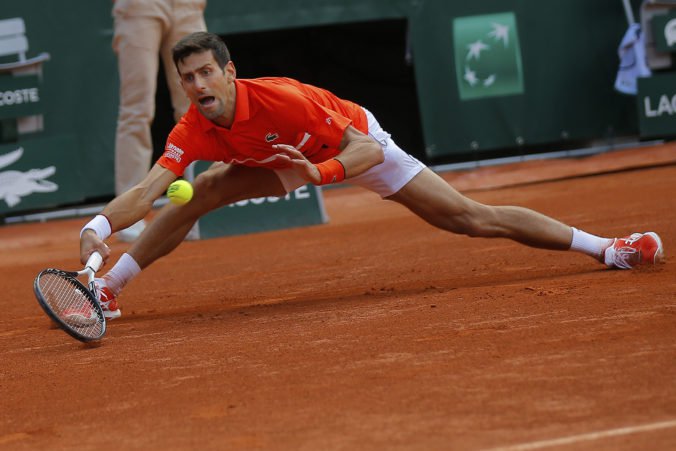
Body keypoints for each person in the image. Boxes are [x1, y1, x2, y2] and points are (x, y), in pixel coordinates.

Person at [77, 32, 664, 321]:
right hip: (285, 157)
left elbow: (359, 148)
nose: (200, 86)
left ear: (229, 72)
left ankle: (609, 248)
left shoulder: (283, 101)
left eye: (208, 73)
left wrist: (324, 171)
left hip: (350, 141)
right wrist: (101, 223)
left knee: (468, 218)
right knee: (200, 190)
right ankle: (109, 288)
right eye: (189, 78)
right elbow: (151, 191)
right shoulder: (194, 127)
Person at [111, 0, 207, 241]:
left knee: (199, 106)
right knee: (137, 110)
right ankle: (127, 214)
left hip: (187, 6)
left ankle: (207, 206)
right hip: (140, 6)